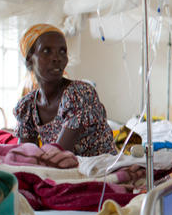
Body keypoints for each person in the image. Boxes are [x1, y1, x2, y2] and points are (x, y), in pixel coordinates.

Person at [14, 24, 116, 157]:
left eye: (62, 51)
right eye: (46, 51)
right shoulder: (27, 107)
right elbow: (26, 157)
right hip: (63, 172)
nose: (57, 58)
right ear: (29, 59)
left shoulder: (79, 94)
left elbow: (58, 154)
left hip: (99, 170)